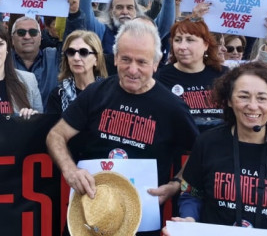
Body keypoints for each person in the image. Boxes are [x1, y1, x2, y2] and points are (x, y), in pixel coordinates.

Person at [46, 19, 198, 236]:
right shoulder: (96, 92)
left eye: (142, 62)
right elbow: (56, 135)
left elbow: (198, 153)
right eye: (125, 59)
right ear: (115, 57)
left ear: (156, 63)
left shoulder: (172, 107)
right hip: (90, 217)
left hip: (142, 223)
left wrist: (176, 184)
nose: (132, 69)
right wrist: (70, 170)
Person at [169, 62, 267, 234]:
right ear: (228, 100)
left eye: (262, 98)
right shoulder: (207, 143)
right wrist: (190, 218)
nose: (252, 105)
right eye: (243, 96)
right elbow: (192, 195)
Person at [65, 0, 176, 68]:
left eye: (129, 7)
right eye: (119, 7)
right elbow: (86, 16)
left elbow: (166, 23)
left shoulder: (146, 32)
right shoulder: (102, 31)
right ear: (111, 12)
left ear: (136, 12)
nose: (124, 11)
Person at [155, 18, 227, 130]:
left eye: (190, 40)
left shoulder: (224, 75)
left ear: (206, 45)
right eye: (178, 40)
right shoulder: (159, 78)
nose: (182, 47)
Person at [45, 30, 107, 117]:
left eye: (83, 52)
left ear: (96, 59)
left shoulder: (109, 92)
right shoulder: (58, 94)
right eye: (71, 52)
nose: (76, 58)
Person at [10, 15, 61, 103]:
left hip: (51, 117)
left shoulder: (54, 57)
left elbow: (74, 37)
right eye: (21, 32)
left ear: (41, 37)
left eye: (33, 32)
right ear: (12, 39)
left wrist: (74, 13)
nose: (27, 36)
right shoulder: (3, 60)